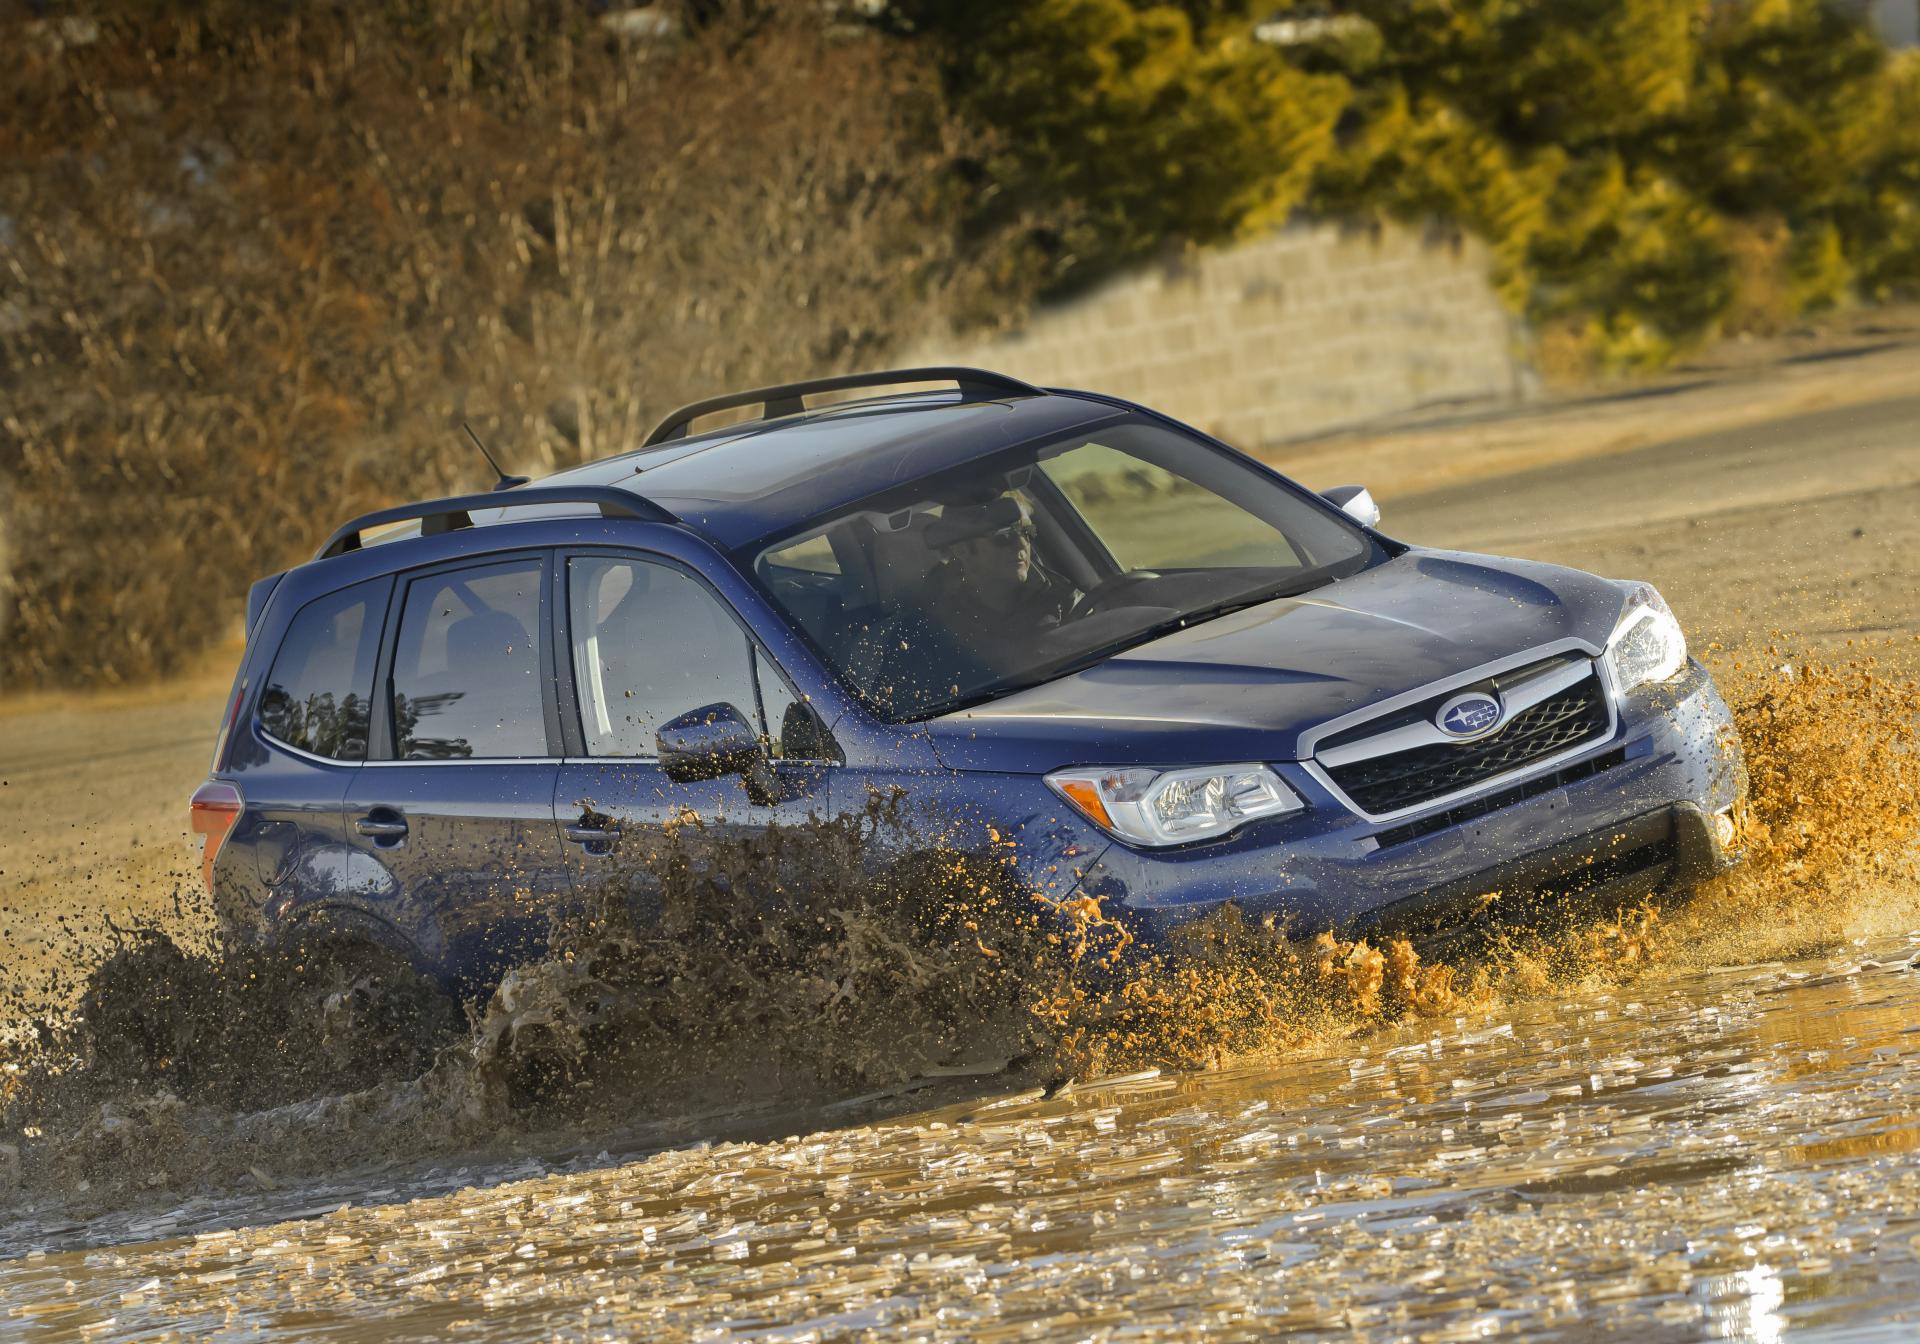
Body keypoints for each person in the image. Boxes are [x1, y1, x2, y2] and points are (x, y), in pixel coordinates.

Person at [922, 493, 1074, 666]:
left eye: (1027, 532)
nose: (1022, 543)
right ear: (962, 550)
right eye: (1004, 536)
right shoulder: (932, 631)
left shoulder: (1064, 599)